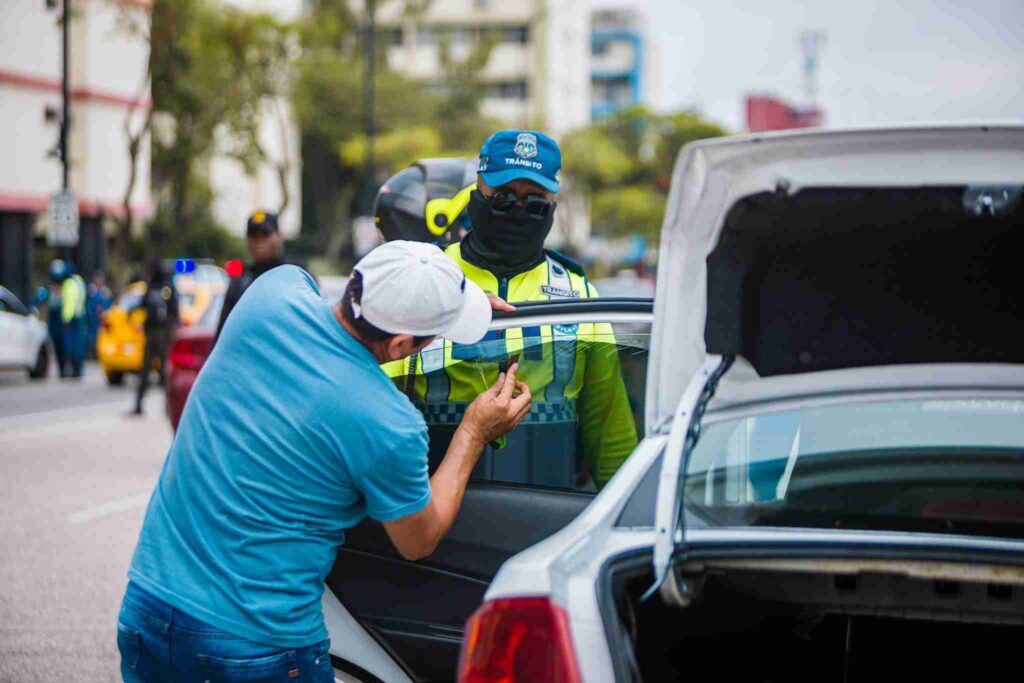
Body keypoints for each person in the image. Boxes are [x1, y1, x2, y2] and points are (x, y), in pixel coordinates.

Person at [117, 241, 531, 682]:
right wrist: (473, 434)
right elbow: (418, 539)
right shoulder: (389, 424)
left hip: (150, 606)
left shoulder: (270, 293)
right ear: (401, 345)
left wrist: (445, 304)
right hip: (257, 645)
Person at [375, 131, 638, 489]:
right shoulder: (425, 276)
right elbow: (369, 396)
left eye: (534, 203)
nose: (517, 210)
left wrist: (632, 521)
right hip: (431, 508)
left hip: (547, 512)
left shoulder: (578, 294)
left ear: (552, 205)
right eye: (502, 198)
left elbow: (610, 428)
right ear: (476, 192)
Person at [214, 210, 305, 343]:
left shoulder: (295, 274)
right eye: (253, 236)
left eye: (265, 235)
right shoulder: (241, 280)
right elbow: (224, 331)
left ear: (279, 237)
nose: (259, 241)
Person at [131, 258, 178, 415]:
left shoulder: (168, 288)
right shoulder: (151, 287)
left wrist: (173, 331)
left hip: (163, 334)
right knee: (144, 371)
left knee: (165, 373)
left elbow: (174, 312)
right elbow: (143, 305)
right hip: (151, 334)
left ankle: (170, 407)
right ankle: (138, 405)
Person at [54, 260, 88, 378]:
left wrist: (66, 319)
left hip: (72, 318)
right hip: (80, 316)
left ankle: (74, 370)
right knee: (78, 344)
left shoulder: (69, 283)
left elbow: (69, 303)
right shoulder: (79, 280)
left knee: (71, 345)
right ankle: (77, 370)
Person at [45, 260, 68, 377]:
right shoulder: (48, 291)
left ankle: (64, 369)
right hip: (53, 323)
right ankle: (60, 368)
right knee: (54, 346)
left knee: (63, 347)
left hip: (62, 323)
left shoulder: (66, 290)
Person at [86, 269, 113, 357]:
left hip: (102, 320)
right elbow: (88, 304)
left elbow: (109, 304)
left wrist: (105, 312)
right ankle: (91, 353)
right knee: (91, 337)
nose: (99, 280)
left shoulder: (105, 292)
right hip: (93, 320)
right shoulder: (91, 291)